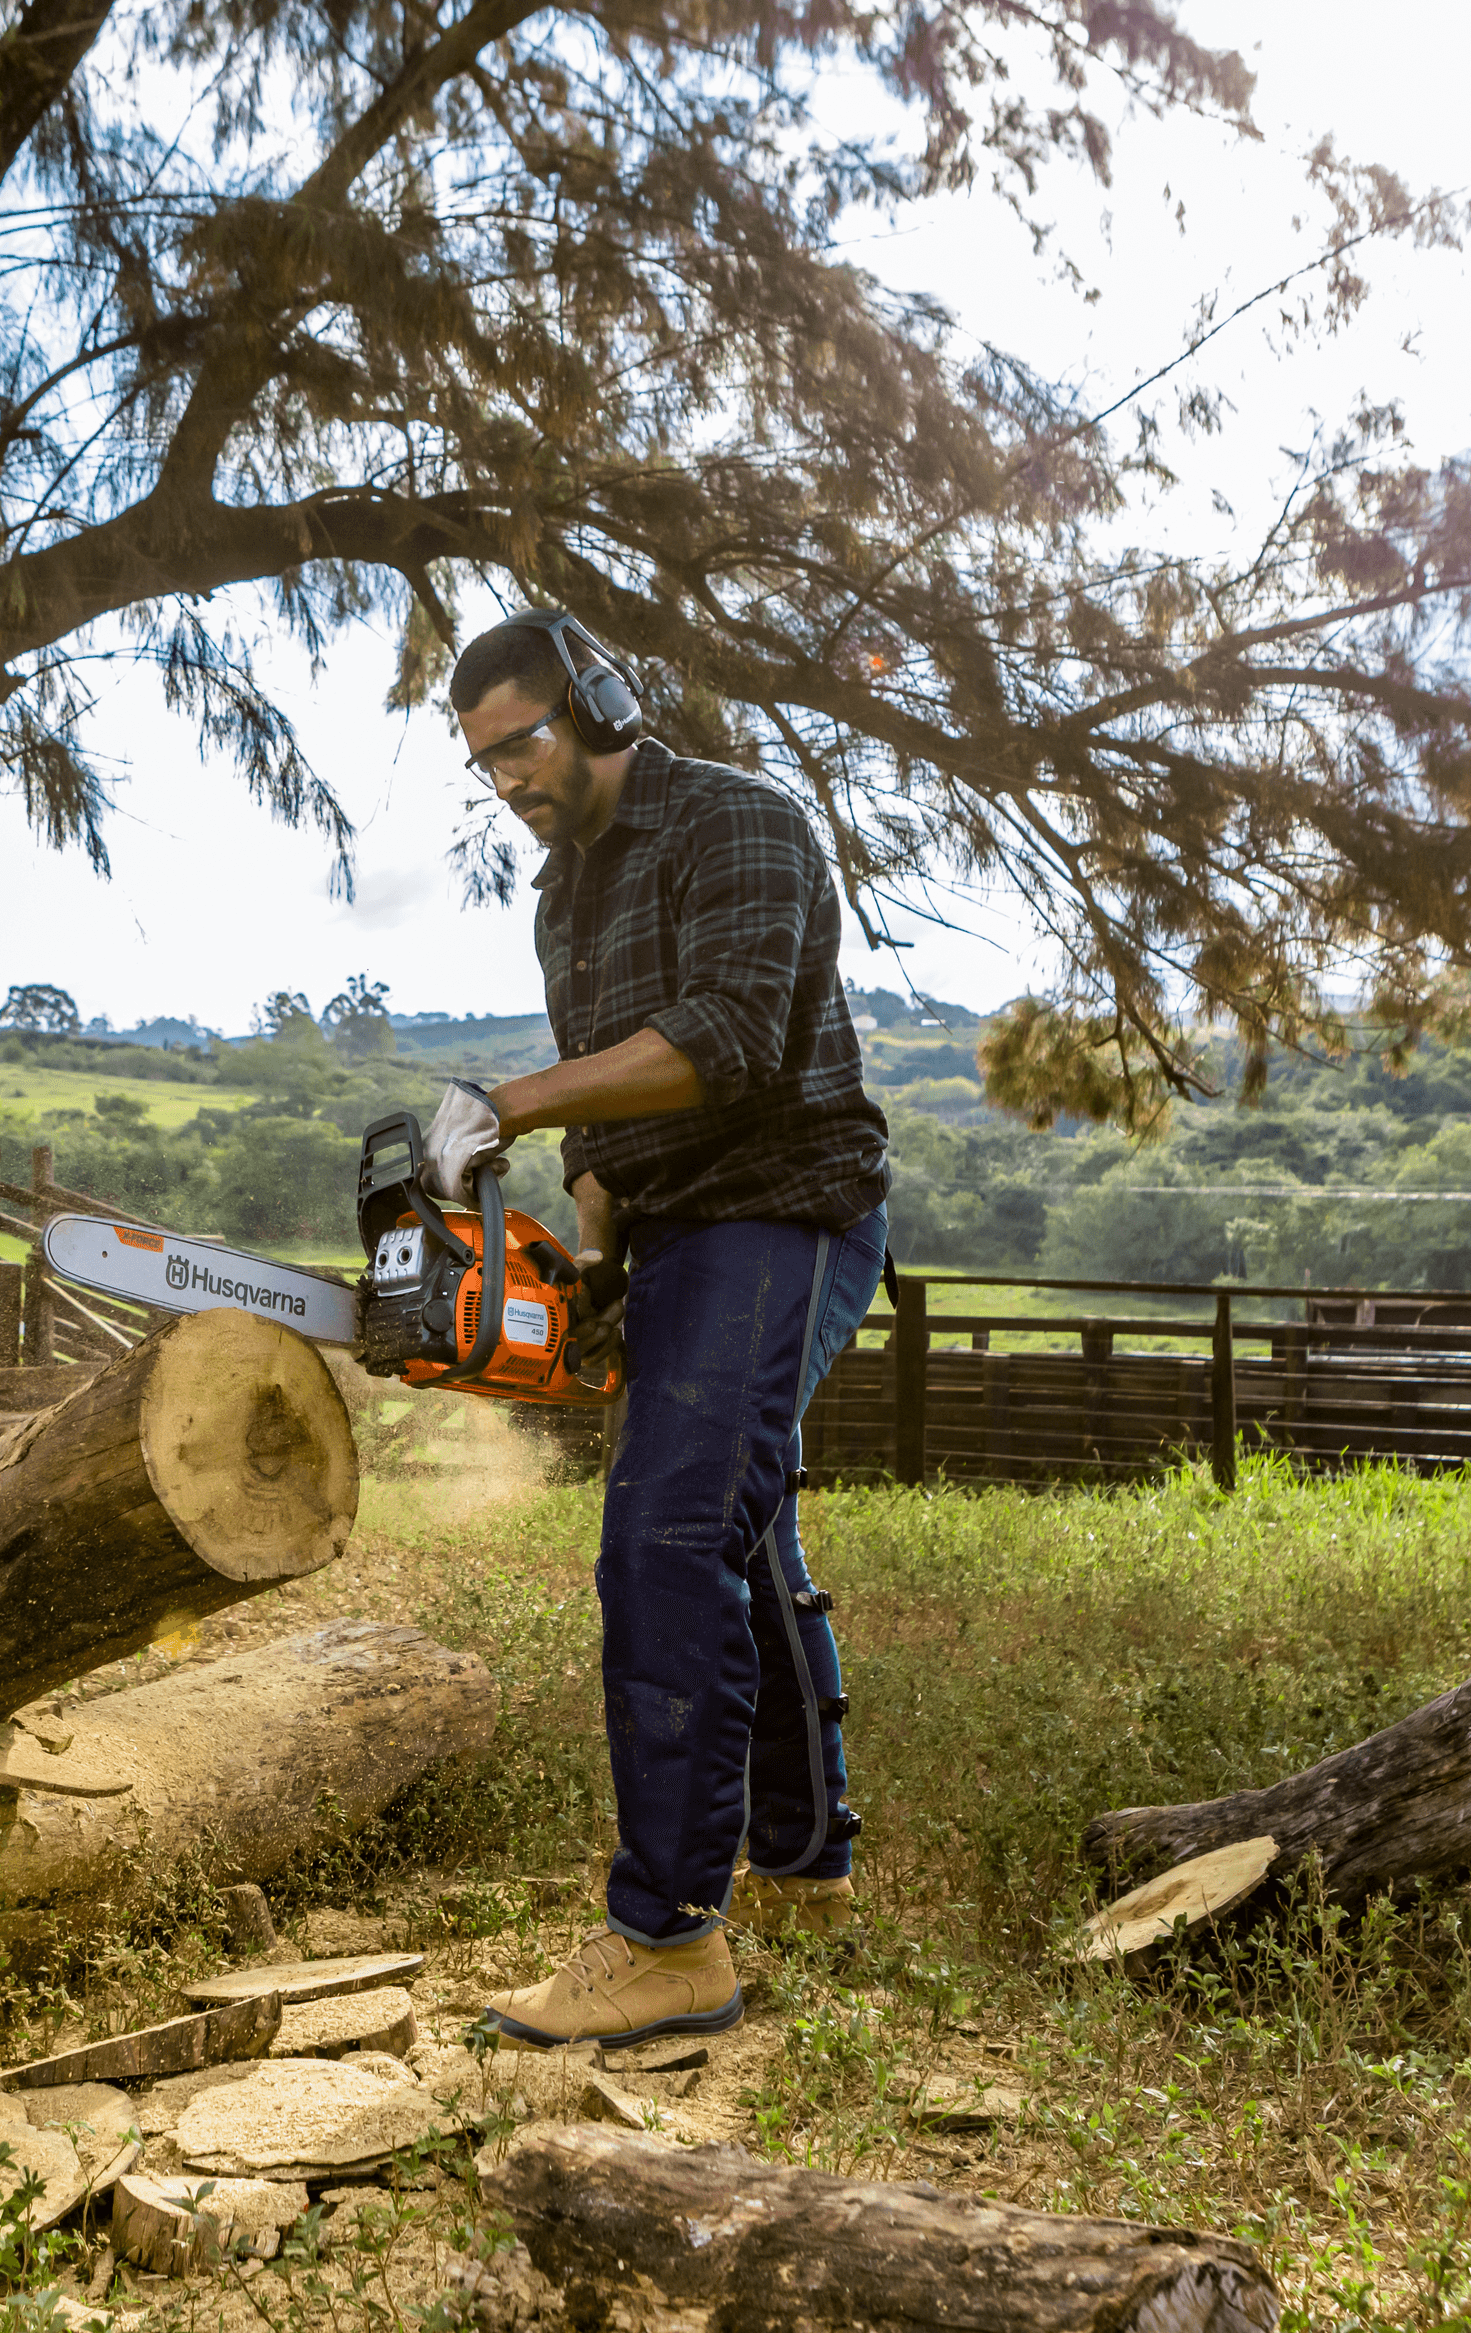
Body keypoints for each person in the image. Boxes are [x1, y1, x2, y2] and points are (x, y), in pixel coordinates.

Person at [422, 610, 893, 2046]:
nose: (507, 778)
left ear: (598, 703)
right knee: (740, 1530)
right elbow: (606, 1106)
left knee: (667, 1535)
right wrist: (591, 1258)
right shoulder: (561, 898)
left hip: (785, 1207)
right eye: (482, 762)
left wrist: (507, 1102)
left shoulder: (739, 824)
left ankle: (669, 1936)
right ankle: (808, 1863)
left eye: (523, 743)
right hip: (679, 1234)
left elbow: (727, 1040)